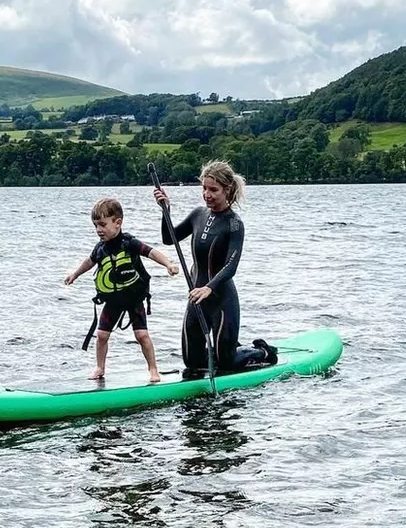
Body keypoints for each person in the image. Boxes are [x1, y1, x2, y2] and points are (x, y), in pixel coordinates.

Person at [153, 160, 277, 374]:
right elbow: (168, 238)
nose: (207, 194)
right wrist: (166, 210)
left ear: (227, 189)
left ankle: (261, 351)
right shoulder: (198, 215)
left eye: (213, 190)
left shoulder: (234, 224)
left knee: (226, 363)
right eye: (204, 188)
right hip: (197, 299)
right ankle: (226, 349)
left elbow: (231, 265)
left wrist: (209, 287)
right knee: (192, 363)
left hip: (222, 300)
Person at [65, 197, 179, 382]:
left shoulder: (129, 243)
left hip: (134, 298)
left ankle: (153, 370)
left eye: (102, 224)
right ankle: (100, 367)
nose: (98, 230)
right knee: (101, 335)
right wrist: (75, 274)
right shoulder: (100, 249)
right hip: (113, 300)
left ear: (118, 223)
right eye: (95, 226)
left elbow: (151, 252)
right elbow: (89, 262)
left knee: (141, 335)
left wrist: (168, 264)